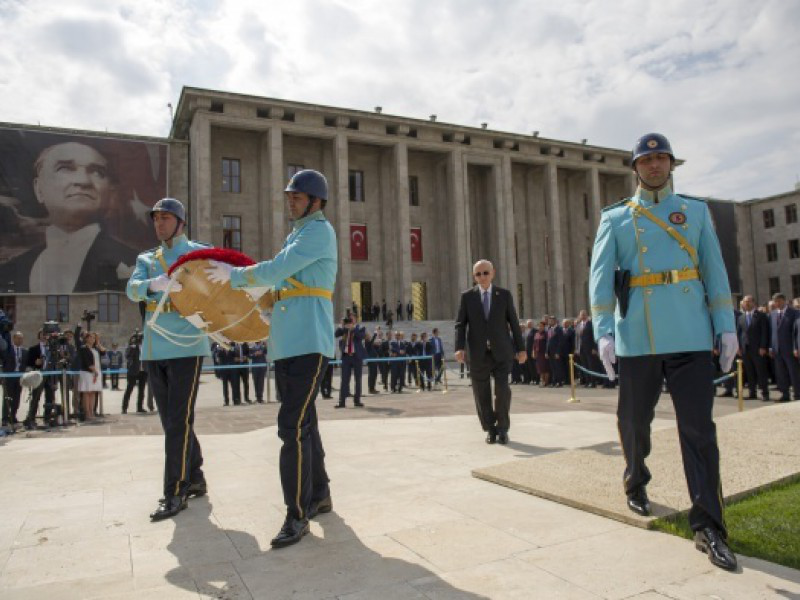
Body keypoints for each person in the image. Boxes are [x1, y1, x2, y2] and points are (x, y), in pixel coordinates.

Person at [589, 133, 738, 571]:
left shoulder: (694, 211)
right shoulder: (616, 218)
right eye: (646, 159)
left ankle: (709, 524)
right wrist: (603, 331)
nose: (654, 166)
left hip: (690, 333)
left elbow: (714, 270)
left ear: (671, 164)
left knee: (698, 431)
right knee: (634, 421)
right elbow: (599, 281)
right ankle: (636, 477)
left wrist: (726, 326)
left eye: (661, 158)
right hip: (639, 336)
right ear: (635, 167)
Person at [206, 169, 336, 548]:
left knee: (291, 427)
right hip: (289, 342)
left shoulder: (317, 232)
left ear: (315, 200)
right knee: (305, 422)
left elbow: (277, 270)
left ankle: (296, 515)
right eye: (290, 195)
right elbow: (279, 286)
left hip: (309, 340)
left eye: (297, 196)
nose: (291, 200)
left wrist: (232, 276)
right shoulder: (298, 234)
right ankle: (319, 494)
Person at [126, 197, 211, 521]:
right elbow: (133, 289)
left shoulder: (198, 254)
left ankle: (174, 492)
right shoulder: (148, 259)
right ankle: (197, 476)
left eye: (165, 218)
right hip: (155, 348)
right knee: (173, 421)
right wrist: (152, 284)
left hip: (187, 346)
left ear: (180, 221)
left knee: (177, 420)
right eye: (156, 219)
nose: (159, 224)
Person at [0, 141, 139, 293]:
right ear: (39, 189)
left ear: (110, 192)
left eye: (98, 172)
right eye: (65, 168)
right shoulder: (9, 270)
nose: (83, 181)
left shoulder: (138, 264)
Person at [455, 259, 526, 445]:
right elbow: (460, 325)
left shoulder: (504, 295)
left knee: (503, 390)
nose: (482, 277)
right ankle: (490, 429)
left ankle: (503, 428)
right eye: (478, 274)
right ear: (474, 277)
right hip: (478, 353)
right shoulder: (467, 297)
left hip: (501, 352)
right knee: (481, 393)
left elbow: (514, 323)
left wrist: (521, 349)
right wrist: (459, 347)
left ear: (493, 273)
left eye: (485, 273)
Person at [736, 295, 770, 401]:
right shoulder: (741, 317)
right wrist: (738, 347)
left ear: (754, 303)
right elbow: (739, 333)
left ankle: (764, 393)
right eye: (745, 302)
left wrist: (763, 346)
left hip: (758, 348)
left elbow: (765, 332)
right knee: (749, 372)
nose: (746, 304)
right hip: (745, 349)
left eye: (749, 301)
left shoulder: (761, 315)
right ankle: (752, 392)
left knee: (761, 371)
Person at [22, 330, 57, 429]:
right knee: (35, 397)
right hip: (38, 375)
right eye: (43, 335)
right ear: (39, 336)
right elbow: (29, 363)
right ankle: (31, 418)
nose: (45, 336)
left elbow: (55, 364)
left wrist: (55, 380)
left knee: (50, 398)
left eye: (46, 335)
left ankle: (47, 418)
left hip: (50, 376)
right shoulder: (34, 349)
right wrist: (35, 363)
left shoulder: (52, 349)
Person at [769, 293, 800, 402]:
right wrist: (771, 347)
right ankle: (785, 394)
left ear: (783, 301)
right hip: (777, 350)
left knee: (793, 372)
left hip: (790, 349)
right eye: (774, 301)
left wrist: (796, 347)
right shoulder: (772, 314)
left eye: (777, 301)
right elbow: (772, 332)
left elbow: (796, 332)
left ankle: (797, 394)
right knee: (781, 373)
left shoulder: (794, 313)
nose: (775, 304)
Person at [334, 316, 366, 408]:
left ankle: (357, 400)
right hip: (346, 357)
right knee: (344, 380)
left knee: (358, 379)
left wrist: (353, 328)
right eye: (349, 320)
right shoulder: (344, 329)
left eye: (351, 320)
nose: (350, 322)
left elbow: (361, 337)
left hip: (357, 357)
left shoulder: (360, 328)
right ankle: (341, 402)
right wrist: (341, 325)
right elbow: (336, 334)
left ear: (355, 320)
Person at [77, 331, 103, 421]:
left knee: (93, 393)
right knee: (87, 393)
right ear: (87, 338)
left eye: (94, 338)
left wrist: (98, 342)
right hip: (87, 373)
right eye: (91, 337)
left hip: (95, 372)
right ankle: (87, 413)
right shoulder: (84, 348)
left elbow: (104, 352)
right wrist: (93, 370)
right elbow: (87, 361)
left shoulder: (95, 349)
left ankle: (92, 412)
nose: (93, 339)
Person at [2, 331, 26, 427]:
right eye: (18, 338)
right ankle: (5, 418)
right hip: (9, 377)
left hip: (19, 377)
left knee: (17, 398)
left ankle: (13, 415)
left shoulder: (24, 351)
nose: (20, 340)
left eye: (21, 339)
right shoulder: (8, 350)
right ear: (14, 339)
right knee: (8, 397)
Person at [122, 333, 147, 414]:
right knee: (129, 389)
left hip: (143, 371)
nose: (141, 340)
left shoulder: (145, 348)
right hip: (133, 371)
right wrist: (132, 347)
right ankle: (124, 408)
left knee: (142, 390)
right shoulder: (132, 347)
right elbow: (127, 356)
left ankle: (140, 407)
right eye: (140, 339)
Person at [532, 320, 550, 387]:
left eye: (541, 326)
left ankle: (546, 382)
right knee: (540, 368)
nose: (540, 327)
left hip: (544, 353)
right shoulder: (536, 334)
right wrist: (533, 352)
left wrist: (546, 352)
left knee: (545, 368)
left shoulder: (546, 333)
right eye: (539, 326)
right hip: (538, 353)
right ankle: (542, 381)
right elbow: (534, 344)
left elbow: (547, 344)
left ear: (544, 327)